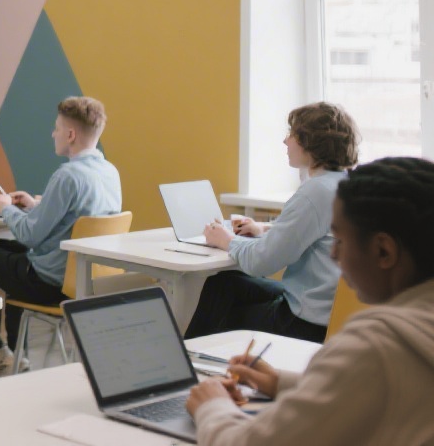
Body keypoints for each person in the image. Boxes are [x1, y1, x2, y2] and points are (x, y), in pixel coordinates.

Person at [186, 157, 434, 445]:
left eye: (340, 241)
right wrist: (283, 383)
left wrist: (211, 407)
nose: (333, 255)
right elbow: (372, 390)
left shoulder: (374, 346)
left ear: (383, 252)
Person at [0, 96, 121, 376]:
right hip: (85, 279)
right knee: (1, 251)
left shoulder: (67, 176)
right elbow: (76, 219)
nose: (53, 133)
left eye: (57, 128)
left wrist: (5, 208)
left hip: (49, 282)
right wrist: (37, 205)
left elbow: (29, 236)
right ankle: (16, 353)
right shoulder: (109, 172)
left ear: (70, 135)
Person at [186, 102, 359, 343]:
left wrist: (227, 241)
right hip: (330, 313)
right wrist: (265, 228)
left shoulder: (314, 193)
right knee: (224, 284)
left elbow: (261, 263)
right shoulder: (343, 184)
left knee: (222, 313)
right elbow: (316, 233)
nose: (285, 141)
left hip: (306, 323)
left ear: (310, 142)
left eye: (292, 134)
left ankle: (188, 358)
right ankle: (189, 356)